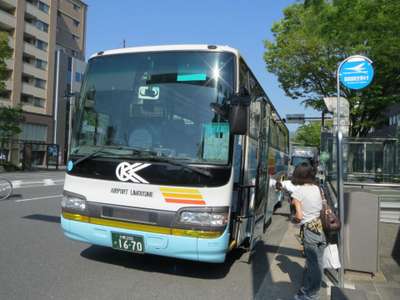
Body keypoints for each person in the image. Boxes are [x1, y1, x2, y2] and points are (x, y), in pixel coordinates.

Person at [291, 162, 326, 300]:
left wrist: (294, 220)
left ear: (299, 175)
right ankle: (308, 289)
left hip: (310, 231)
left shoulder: (299, 191)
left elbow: (299, 216)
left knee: (313, 265)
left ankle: (312, 295)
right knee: (318, 262)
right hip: (321, 228)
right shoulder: (317, 188)